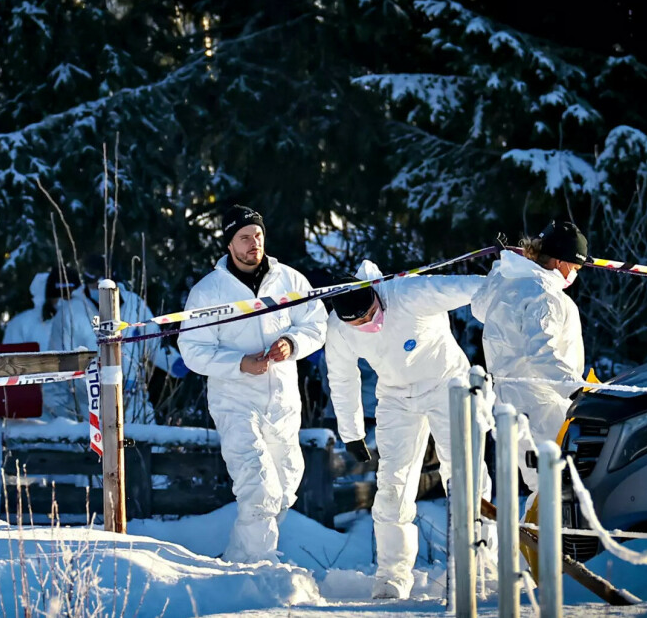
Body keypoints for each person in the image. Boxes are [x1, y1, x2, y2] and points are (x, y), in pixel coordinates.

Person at [325, 259, 491, 599]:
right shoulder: (339, 328)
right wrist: (352, 432)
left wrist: (512, 268)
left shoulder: (410, 292)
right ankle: (391, 577)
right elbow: (341, 378)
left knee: (466, 477)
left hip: (448, 385)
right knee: (392, 486)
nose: (368, 323)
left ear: (375, 294)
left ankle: (477, 568)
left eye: (370, 313)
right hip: (396, 397)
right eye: (358, 322)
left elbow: (476, 286)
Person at [177, 205, 328, 563]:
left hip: (283, 401)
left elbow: (316, 324)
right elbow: (192, 350)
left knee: (284, 488)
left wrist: (292, 343)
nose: (253, 243)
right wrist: (239, 363)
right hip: (235, 401)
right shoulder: (209, 291)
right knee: (258, 488)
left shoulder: (290, 280)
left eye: (258, 235)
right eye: (245, 237)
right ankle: (260, 569)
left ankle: (238, 563)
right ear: (229, 244)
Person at [470, 220, 588, 491]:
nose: (576, 274)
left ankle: (541, 530)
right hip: (542, 402)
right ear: (560, 262)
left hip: (510, 400)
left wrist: (501, 265)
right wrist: (576, 391)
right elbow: (541, 351)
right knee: (557, 485)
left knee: (540, 484)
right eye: (575, 267)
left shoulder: (510, 281)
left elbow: (479, 307)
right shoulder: (543, 295)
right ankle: (551, 533)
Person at [48, 254, 185, 422]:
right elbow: (61, 363)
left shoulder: (133, 303)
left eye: (101, 280)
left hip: (135, 402)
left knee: (143, 445)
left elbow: (153, 344)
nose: (97, 287)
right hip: (91, 408)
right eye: (92, 282)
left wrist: (177, 364)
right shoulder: (70, 312)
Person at [2, 266, 74, 351]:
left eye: (68, 296)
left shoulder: (81, 320)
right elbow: (9, 359)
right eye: (58, 295)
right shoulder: (21, 324)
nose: (63, 300)